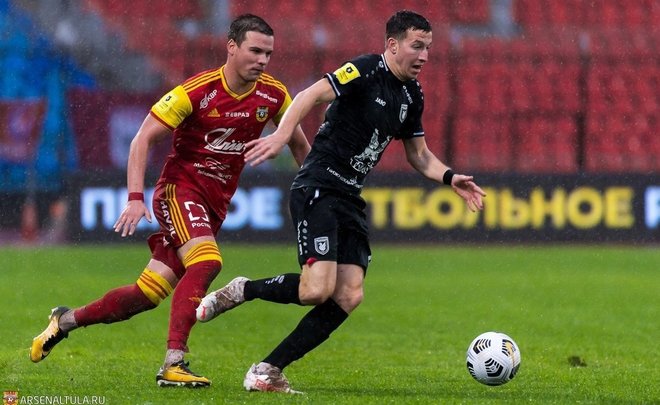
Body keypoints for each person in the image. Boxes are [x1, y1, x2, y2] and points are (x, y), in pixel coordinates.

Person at [196, 10, 486, 394]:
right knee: (316, 290)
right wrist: (282, 136)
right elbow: (309, 95)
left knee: (349, 294)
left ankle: (268, 370)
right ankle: (243, 290)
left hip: (349, 197)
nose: (424, 56)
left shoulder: (412, 95)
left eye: (428, 48)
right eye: (417, 46)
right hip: (318, 186)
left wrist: (450, 177)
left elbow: (419, 154)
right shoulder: (364, 70)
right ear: (393, 45)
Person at [29, 14, 310, 388]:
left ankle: (64, 321)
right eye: (255, 51)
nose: (262, 60)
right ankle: (174, 363)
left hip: (215, 204)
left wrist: (319, 190)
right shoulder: (197, 91)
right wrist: (135, 198)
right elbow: (142, 139)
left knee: (146, 294)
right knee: (207, 261)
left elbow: (299, 145)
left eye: (268, 54)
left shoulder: (273, 95)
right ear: (231, 47)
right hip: (179, 191)